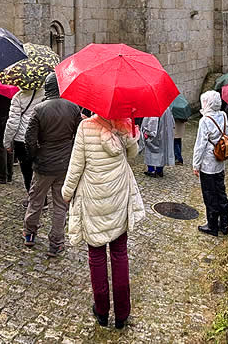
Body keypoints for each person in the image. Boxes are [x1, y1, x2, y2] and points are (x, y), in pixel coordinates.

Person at [62, 114, 145, 330]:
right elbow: (133, 155)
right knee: (120, 254)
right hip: (118, 197)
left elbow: (76, 166)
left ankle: (101, 311)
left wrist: (67, 193)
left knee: (96, 256)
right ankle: (122, 314)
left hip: (93, 198)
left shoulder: (85, 127)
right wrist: (132, 134)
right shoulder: (124, 123)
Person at [22, 72, 82, 256]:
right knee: (60, 204)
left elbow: (29, 139)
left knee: (36, 200)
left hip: (44, 164)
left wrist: (35, 156)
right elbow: (80, 134)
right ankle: (56, 243)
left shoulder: (39, 109)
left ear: (47, 87)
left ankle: (30, 234)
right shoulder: (73, 108)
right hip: (64, 164)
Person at [192, 90, 228, 236]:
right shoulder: (224, 115)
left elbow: (200, 145)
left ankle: (212, 225)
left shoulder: (205, 121)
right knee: (221, 192)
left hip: (208, 163)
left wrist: (196, 165)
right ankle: (224, 224)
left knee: (209, 195)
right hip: (220, 160)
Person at [3, 85, 46, 198]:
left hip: (23, 139)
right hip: (41, 137)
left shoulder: (18, 97)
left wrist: (7, 142)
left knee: (27, 171)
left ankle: (33, 197)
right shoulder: (45, 93)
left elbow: (13, 123)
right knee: (40, 170)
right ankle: (43, 198)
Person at [140, 107, 175, 176]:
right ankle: (159, 170)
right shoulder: (167, 108)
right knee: (162, 153)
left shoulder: (153, 108)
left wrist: (147, 133)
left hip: (156, 135)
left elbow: (152, 125)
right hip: (165, 135)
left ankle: (151, 170)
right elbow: (172, 122)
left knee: (151, 153)